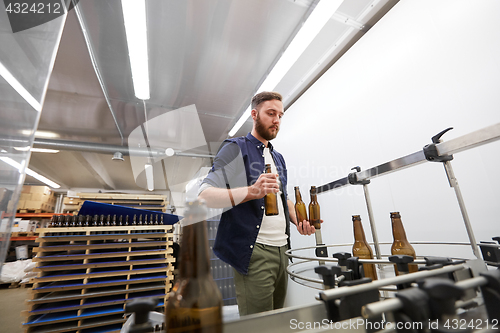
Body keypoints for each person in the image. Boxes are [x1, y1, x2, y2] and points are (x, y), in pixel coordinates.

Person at [198, 91, 317, 316]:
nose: (276, 120)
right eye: (270, 113)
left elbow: (283, 197)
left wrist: (298, 220)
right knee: (259, 325)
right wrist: (252, 191)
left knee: (275, 318)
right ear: (254, 114)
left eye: (280, 115)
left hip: (283, 250)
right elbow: (205, 194)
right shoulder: (236, 148)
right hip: (256, 251)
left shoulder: (278, 157)